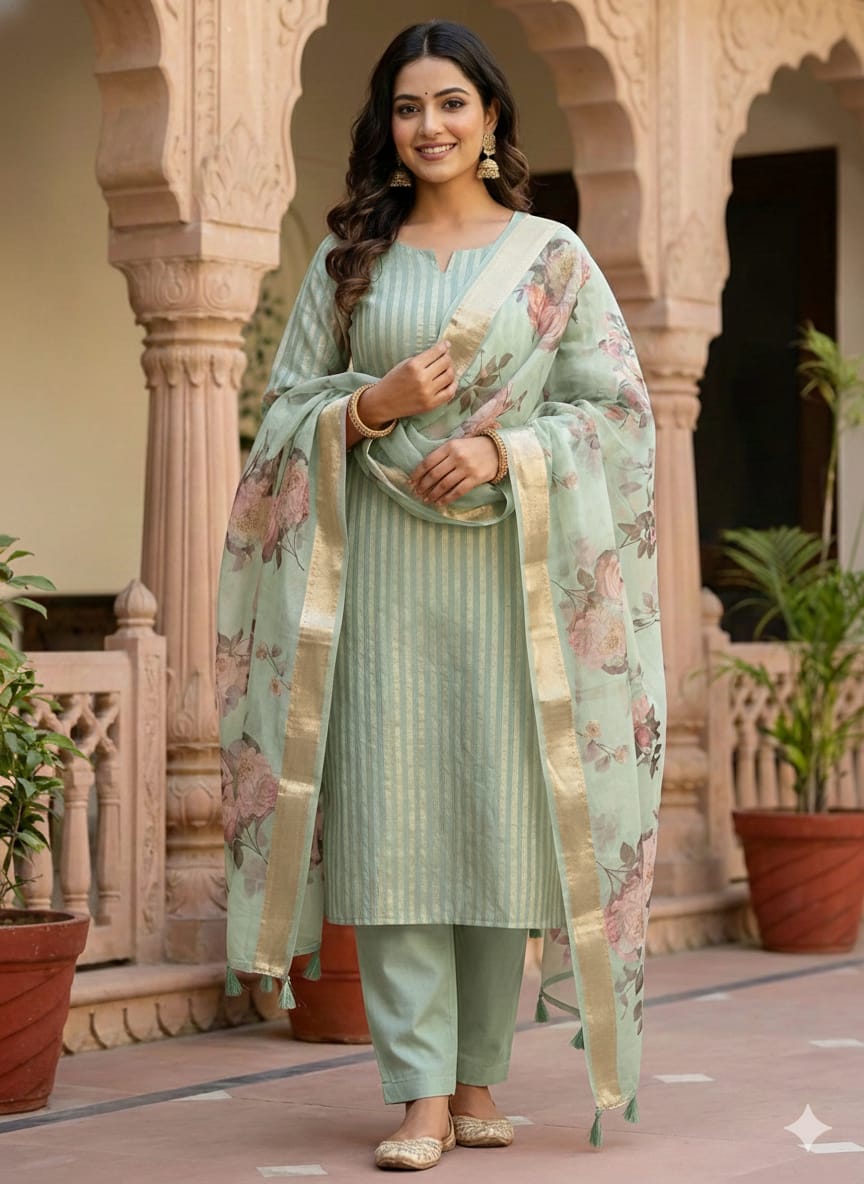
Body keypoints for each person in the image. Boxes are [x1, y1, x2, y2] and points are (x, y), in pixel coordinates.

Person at [216, 19, 666, 1172]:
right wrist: (368, 409)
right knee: (394, 832)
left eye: (453, 103)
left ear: (493, 118)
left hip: (507, 588)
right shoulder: (344, 262)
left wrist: (505, 454)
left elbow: (618, 412)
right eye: (411, 107)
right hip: (377, 588)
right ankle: (416, 1094)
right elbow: (277, 416)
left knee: (496, 834)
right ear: (389, 124)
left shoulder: (553, 257)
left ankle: (478, 1081)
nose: (432, 127)